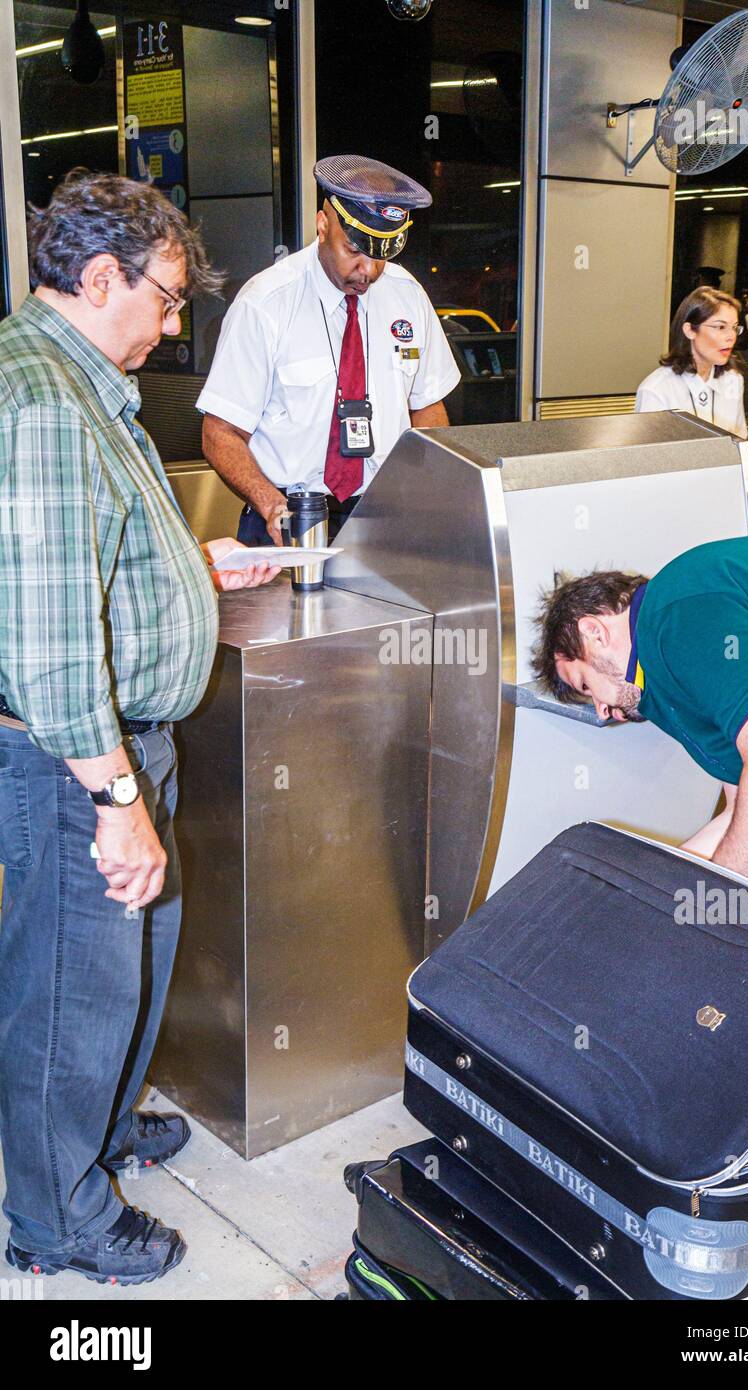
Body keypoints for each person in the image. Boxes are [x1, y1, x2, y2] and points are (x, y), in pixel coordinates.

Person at [0, 170, 279, 1287]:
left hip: (125, 743)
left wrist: (191, 568)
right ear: (98, 275)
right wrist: (116, 803)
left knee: (134, 968)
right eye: (164, 300)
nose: (173, 327)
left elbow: (89, 561)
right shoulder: (40, 401)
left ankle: (99, 1131)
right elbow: (51, 634)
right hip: (79, 759)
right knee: (73, 988)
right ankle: (53, 1213)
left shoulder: (83, 387)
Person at [532, 530, 748, 941]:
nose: (602, 710)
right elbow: (739, 808)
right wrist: (658, 897)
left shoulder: (676, 613)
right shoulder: (667, 676)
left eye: (585, 685)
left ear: (594, 632)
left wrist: (712, 903)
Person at [198, 156, 461, 546]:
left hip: (383, 515)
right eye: (355, 248)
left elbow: (427, 406)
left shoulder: (407, 296)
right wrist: (271, 506)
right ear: (323, 225)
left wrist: (426, 489)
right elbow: (219, 432)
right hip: (288, 517)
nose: (368, 270)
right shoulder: (266, 303)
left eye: (381, 255)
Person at [635, 287, 748, 479]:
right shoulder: (656, 390)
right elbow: (645, 464)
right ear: (690, 330)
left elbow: (737, 444)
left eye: (734, 327)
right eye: (720, 327)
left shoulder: (733, 380)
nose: (731, 336)